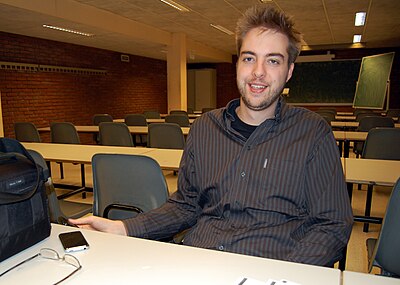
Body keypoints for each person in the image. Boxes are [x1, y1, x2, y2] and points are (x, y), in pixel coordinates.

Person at [70, 5, 353, 267]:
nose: (258, 72)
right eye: (249, 58)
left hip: (268, 266)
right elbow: (185, 205)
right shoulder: (205, 128)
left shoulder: (312, 133)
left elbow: (332, 223)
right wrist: (124, 227)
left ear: (289, 71)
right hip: (198, 261)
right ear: (238, 64)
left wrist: (289, 274)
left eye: (273, 61)